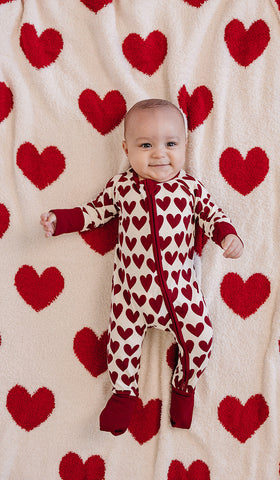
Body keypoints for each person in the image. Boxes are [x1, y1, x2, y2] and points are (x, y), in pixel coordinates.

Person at [40, 99, 244, 435]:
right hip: (129, 296)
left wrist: (227, 237)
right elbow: (93, 213)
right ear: (126, 148)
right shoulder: (122, 187)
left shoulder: (190, 189)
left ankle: (185, 386)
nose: (159, 154)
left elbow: (212, 216)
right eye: (145, 145)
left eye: (171, 144)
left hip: (180, 295)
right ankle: (124, 395)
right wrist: (60, 220)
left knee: (202, 338)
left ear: (185, 145)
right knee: (119, 345)